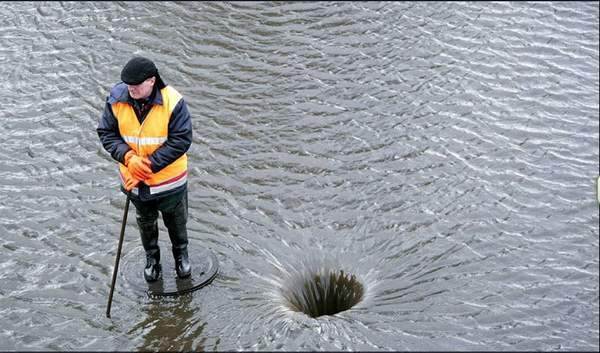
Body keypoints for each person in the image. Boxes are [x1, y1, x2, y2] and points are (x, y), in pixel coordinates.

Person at [97, 56, 193, 282]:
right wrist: (128, 157)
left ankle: (181, 256)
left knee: (176, 221)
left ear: (152, 81)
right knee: (145, 222)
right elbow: (106, 133)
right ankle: (152, 259)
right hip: (135, 182)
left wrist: (148, 165)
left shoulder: (174, 102)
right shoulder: (116, 99)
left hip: (170, 182)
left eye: (136, 85)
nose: (131, 89)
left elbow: (181, 140)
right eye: (128, 85)